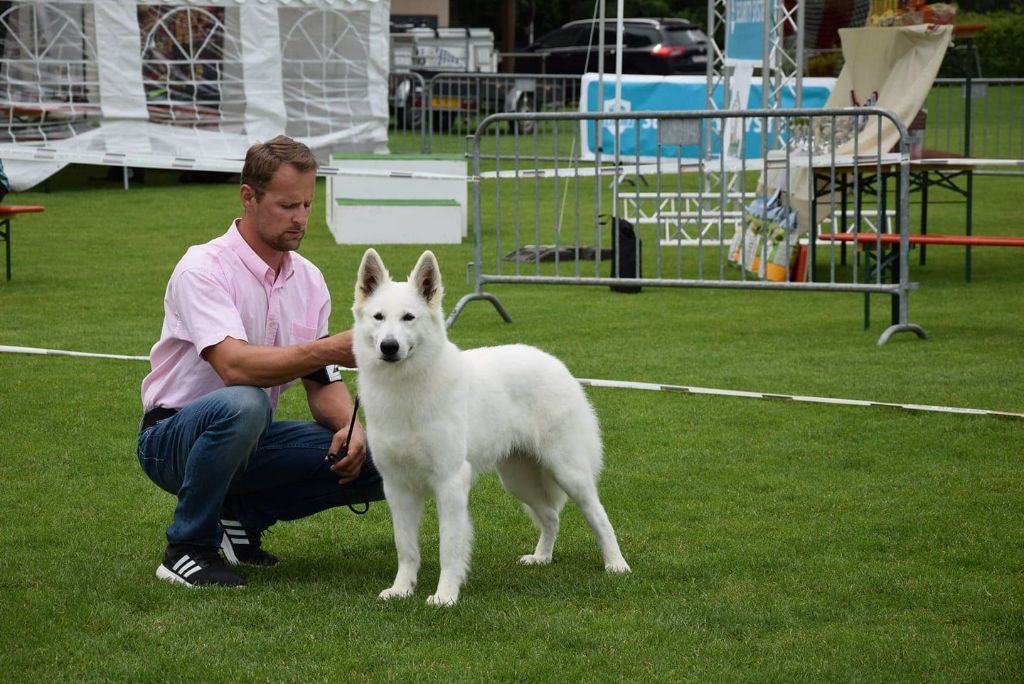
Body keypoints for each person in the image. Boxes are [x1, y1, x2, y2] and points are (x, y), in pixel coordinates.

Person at [137, 135, 384, 588]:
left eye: (307, 205)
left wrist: (351, 429)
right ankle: (187, 548)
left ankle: (241, 519)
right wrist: (331, 347)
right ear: (248, 197)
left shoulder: (309, 280)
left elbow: (322, 382)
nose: (300, 218)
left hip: (251, 437)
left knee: (385, 455)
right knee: (245, 402)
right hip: (170, 437)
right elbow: (235, 368)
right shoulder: (202, 268)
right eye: (287, 205)